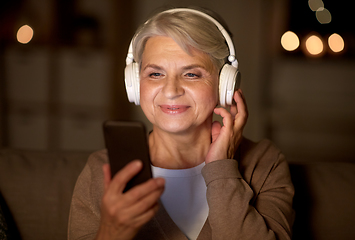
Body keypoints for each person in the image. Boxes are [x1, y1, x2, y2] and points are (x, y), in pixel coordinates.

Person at [68, 7, 294, 240]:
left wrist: (222, 168)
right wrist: (111, 233)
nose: (171, 90)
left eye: (192, 74)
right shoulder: (103, 170)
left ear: (224, 85)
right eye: (155, 74)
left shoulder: (264, 163)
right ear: (134, 85)